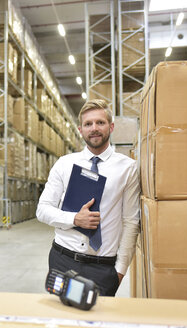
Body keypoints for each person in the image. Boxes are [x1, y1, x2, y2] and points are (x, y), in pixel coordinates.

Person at [36, 99, 140, 296]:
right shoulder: (64, 164)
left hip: (102, 267)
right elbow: (42, 209)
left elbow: (131, 221)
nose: (94, 128)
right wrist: (74, 219)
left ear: (111, 126)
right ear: (80, 129)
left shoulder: (127, 168)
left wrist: (119, 271)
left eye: (100, 122)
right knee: (63, 321)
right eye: (88, 124)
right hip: (62, 259)